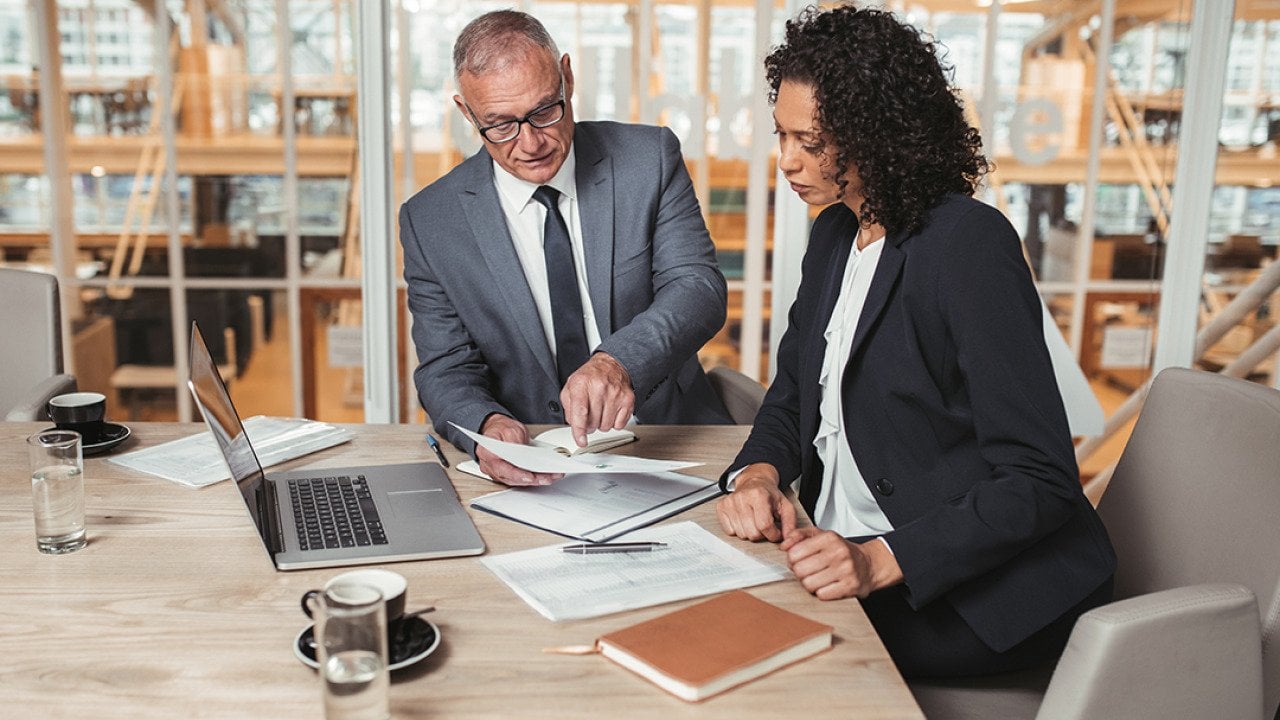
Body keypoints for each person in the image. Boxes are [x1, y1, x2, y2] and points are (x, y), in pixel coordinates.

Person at [715, 5, 1116, 679]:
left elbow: (1042, 479)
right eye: (781, 135)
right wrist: (758, 474)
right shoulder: (835, 235)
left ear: (875, 136)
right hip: (844, 548)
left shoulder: (969, 246)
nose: (785, 161)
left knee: (766, 660)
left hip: (971, 588)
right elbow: (791, 398)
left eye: (807, 141)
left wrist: (877, 559)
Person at [400, 10, 730, 486]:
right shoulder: (431, 221)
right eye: (499, 125)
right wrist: (487, 429)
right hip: (536, 459)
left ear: (567, 78)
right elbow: (445, 367)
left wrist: (618, 363)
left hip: (673, 439)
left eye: (543, 112)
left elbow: (697, 288)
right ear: (466, 113)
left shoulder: (648, 159)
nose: (530, 143)